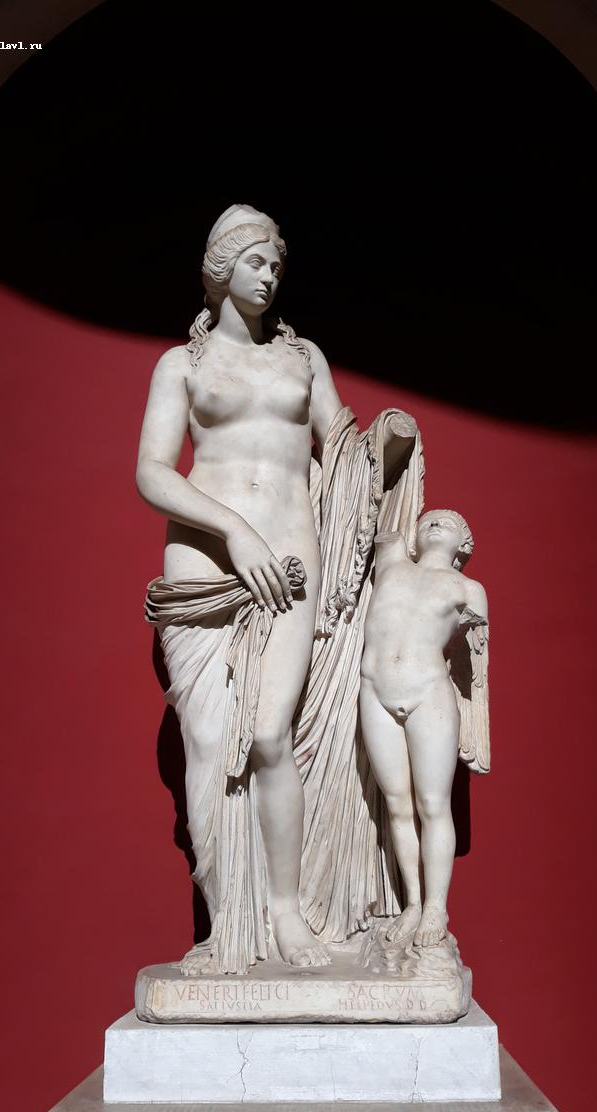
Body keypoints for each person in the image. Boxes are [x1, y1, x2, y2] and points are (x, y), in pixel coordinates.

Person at [136, 205, 422, 974]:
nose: (268, 276)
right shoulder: (182, 365)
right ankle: (227, 927)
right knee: (208, 743)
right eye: (256, 262)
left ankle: (288, 916)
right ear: (222, 266)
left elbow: (345, 448)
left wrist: (387, 445)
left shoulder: (303, 358)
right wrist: (232, 529)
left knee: (269, 736)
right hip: (206, 563)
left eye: (275, 265)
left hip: (292, 563)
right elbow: (152, 472)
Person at [359, 510, 490, 948]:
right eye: (428, 520)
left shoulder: (467, 589)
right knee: (398, 805)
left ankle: (436, 907)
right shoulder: (392, 562)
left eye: (448, 523)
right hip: (375, 688)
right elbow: (378, 513)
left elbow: (476, 665)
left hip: (429, 692)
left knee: (432, 803)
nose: (435, 523)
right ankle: (413, 903)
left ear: (463, 544)